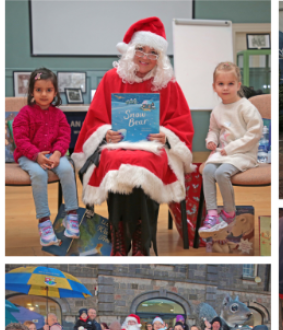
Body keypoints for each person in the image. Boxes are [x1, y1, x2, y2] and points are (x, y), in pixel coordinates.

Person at [72, 17, 194, 256]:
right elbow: (95, 120)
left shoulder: (168, 84)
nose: (146, 57)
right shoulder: (111, 78)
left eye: (153, 52)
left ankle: (141, 240)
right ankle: (119, 238)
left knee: (145, 163)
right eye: (141, 49)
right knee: (114, 163)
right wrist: (105, 132)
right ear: (130, 51)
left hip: (153, 148)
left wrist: (165, 135)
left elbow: (181, 122)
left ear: (160, 57)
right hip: (115, 146)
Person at [13, 67, 79, 245]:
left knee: (67, 169)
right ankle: (44, 222)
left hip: (54, 154)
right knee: (39, 174)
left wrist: (58, 153)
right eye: (39, 90)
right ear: (32, 92)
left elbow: (65, 136)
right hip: (29, 155)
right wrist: (36, 156)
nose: (44, 94)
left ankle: (72, 215)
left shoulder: (58, 115)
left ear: (55, 92)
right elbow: (20, 138)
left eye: (48, 90)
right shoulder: (24, 114)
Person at [198, 61, 262, 235]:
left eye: (230, 84)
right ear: (214, 87)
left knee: (221, 173)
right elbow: (214, 130)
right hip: (224, 153)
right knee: (208, 170)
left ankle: (229, 212)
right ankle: (212, 214)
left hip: (243, 153)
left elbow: (254, 134)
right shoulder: (217, 110)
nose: (225, 88)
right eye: (221, 84)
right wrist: (210, 141)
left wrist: (232, 147)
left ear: (238, 85)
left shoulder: (246, 107)